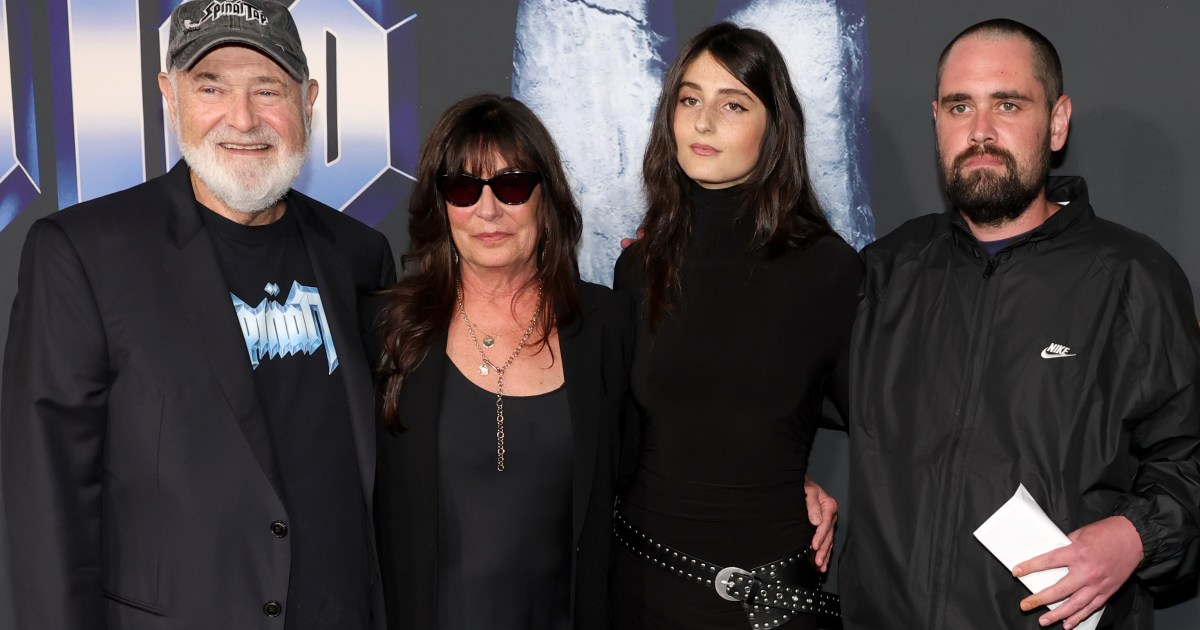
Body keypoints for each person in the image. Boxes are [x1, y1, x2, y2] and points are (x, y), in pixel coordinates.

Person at [0, 1, 395, 628]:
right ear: (170, 95)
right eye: (211, 88)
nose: (242, 119)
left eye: (267, 89)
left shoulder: (359, 256)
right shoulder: (84, 253)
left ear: (308, 100)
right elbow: (47, 502)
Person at [839, 18, 1200, 630]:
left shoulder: (1132, 277)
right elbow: (781, 401)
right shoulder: (887, 270)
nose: (980, 130)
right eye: (960, 106)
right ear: (936, 120)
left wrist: (1136, 536)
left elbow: (1187, 456)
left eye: (1008, 104)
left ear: (1056, 122)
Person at [611, 22, 861, 629]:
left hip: (769, 600)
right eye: (689, 99)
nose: (703, 122)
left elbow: (887, 435)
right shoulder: (639, 268)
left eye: (733, 105)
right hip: (643, 586)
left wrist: (812, 485)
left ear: (774, 129)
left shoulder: (828, 269)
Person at [373, 94, 633, 630]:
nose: (487, 210)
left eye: (511, 186)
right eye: (463, 188)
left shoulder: (608, 326)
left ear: (546, 197)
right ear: (442, 205)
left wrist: (789, 487)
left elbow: (665, 462)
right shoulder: (388, 331)